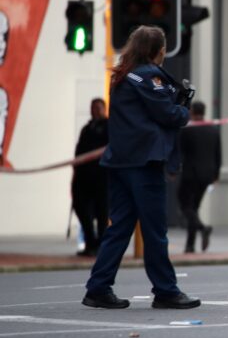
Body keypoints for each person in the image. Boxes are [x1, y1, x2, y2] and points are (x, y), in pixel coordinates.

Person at [82, 26, 200, 310]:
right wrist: (184, 108)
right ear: (157, 50)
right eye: (163, 48)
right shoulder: (149, 76)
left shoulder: (122, 75)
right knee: (154, 230)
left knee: (119, 227)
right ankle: (165, 290)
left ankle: (98, 287)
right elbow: (168, 114)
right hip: (144, 163)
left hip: (119, 161)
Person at [177, 101, 221, 253]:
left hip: (191, 174)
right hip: (207, 175)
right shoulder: (213, 130)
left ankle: (202, 228)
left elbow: (179, 150)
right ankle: (190, 245)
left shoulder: (188, 129)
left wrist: (172, 168)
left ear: (192, 112)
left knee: (184, 205)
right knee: (194, 208)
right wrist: (216, 175)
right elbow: (218, 154)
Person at [71, 98, 108, 257]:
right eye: (93, 108)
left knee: (102, 213)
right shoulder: (86, 129)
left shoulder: (110, 127)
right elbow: (79, 151)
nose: (96, 111)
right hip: (84, 177)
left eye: (99, 108)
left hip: (102, 176)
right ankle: (90, 242)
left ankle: (102, 245)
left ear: (104, 109)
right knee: (82, 208)